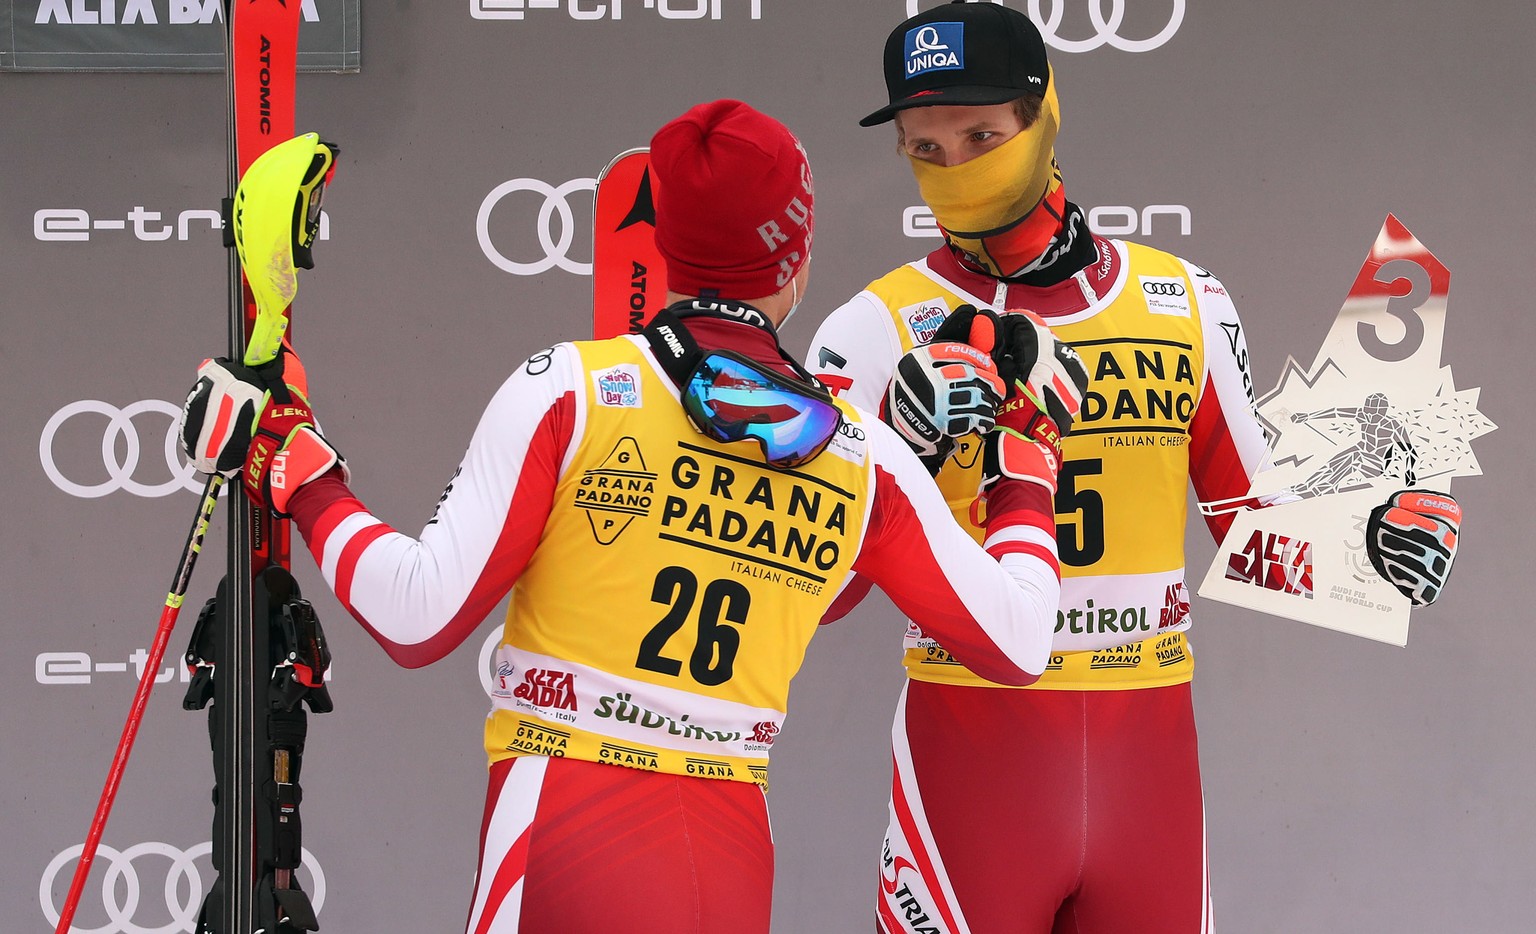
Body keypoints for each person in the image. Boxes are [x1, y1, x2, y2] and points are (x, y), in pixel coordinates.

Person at [179, 99, 1073, 934]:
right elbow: (1021, 640)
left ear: (663, 244)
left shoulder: (569, 389)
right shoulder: (863, 457)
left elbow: (418, 617)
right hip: (727, 847)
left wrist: (302, 476)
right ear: (799, 250)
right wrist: (1026, 465)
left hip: (562, 826)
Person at [805, 3, 1465, 931]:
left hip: (1148, 754)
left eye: (982, 135)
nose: (955, 170)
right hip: (974, 759)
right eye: (926, 149)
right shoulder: (872, 328)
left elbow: (1249, 521)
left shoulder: (1184, 301)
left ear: (1045, 116)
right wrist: (905, 450)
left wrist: (1369, 549)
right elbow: (816, 596)